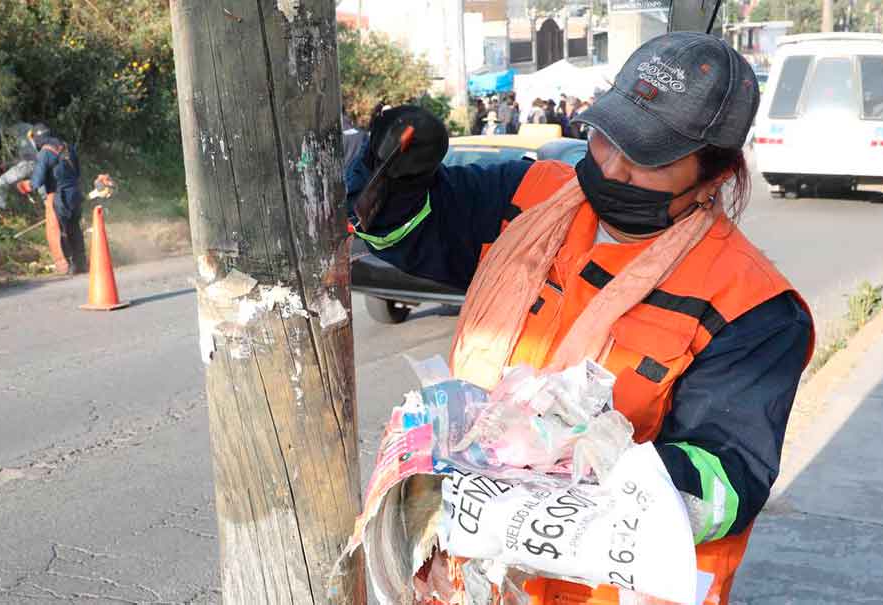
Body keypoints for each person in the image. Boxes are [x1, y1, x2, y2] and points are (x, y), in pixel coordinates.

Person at [344, 32, 813, 604]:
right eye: (607, 137)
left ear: (713, 176)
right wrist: (394, 169)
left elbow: (727, 484)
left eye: (645, 157)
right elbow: (401, 229)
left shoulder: (753, 308)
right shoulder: (528, 198)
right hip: (472, 577)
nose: (611, 167)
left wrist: (570, 457)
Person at [16, 124, 87, 275]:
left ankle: (67, 265)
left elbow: (36, 182)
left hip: (60, 195)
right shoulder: (68, 147)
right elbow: (78, 172)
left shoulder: (45, 153)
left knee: (62, 231)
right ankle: (81, 264)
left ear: (36, 139)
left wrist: (24, 185)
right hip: (75, 193)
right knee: (75, 228)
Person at [0, 122, 39, 209]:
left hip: (30, 165)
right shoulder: (21, 139)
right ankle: (22, 207)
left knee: (3, 180)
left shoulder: (24, 136)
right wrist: (6, 164)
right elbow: (21, 159)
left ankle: (0, 206)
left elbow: (28, 159)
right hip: (30, 166)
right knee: (15, 184)